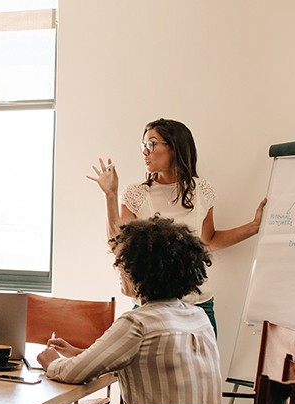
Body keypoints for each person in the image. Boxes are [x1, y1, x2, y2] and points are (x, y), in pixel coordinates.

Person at [38, 217, 226, 404]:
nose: (119, 271)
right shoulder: (196, 317)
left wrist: (52, 363)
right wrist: (78, 352)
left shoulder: (139, 321)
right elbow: (144, 359)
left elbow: (75, 374)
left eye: (122, 264)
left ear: (141, 271)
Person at [87, 118, 266, 334]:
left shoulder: (202, 191)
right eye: (143, 145)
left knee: (206, 368)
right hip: (152, 307)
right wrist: (110, 195)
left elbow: (208, 241)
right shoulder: (137, 194)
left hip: (198, 306)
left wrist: (254, 226)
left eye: (151, 144)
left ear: (174, 146)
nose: (145, 152)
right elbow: (119, 247)